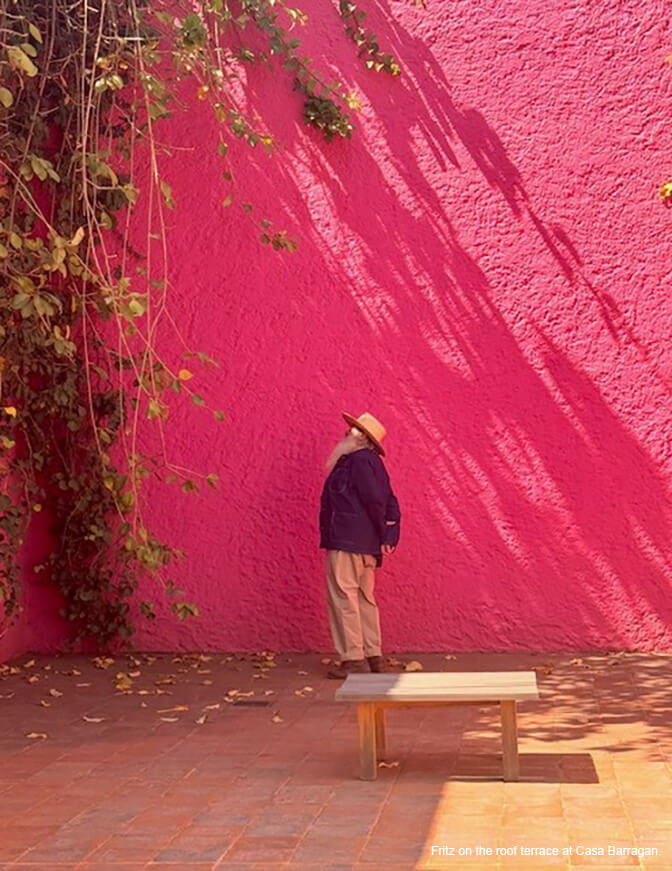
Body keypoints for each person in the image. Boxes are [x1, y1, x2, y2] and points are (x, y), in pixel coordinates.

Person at [319, 412, 401, 680]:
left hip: (347, 540)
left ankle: (353, 658)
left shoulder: (356, 461)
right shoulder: (371, 463)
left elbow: (378, 501)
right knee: (364, 598)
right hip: (364, 543)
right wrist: (386, 536)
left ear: (362, 437)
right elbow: (389, 501)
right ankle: (372, 654)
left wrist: (383, 535)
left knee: (344, 597)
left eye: (352, 430)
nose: (346, 433)